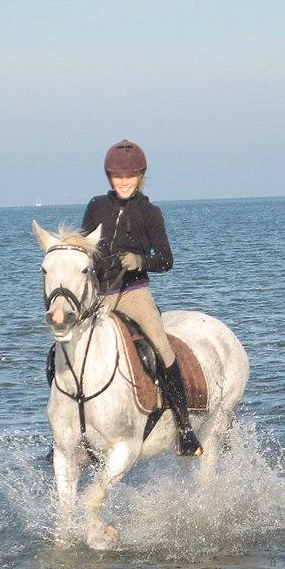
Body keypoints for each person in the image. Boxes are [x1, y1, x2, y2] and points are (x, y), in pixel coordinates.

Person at [81, 139, 202, 457]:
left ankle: (185, 429)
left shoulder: (150, 213)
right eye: (118, 176)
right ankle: (72, 434)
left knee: (161, 348)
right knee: (64, 351)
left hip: (134, 294)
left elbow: (166, 259)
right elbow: (84, 250)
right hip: (98, 293)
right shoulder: (96, 207)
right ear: (109, 177)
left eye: (130, 176)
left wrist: (140, 261)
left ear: (141, 176)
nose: (124, 182)